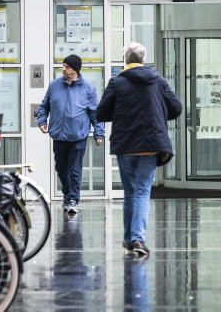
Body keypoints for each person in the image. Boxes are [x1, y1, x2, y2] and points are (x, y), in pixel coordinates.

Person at [96, 43, 182, 257]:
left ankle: (129, 239)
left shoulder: (116, 82)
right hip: (151, 144)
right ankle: (137, 239)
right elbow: (177, 108)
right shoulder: (158, 81)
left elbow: (101, 113)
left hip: (125, 145)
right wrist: (158, 114)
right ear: (143, 60)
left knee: (130, 192)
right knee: (142, 191)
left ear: (126, 60)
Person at [38, 54, 104, 214]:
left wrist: (98, 133)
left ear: (74, 69)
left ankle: (73, 199)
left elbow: (96, 113)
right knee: (61, 168)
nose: (63, 69)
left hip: (78, 136)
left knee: (75, 169)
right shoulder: (54, 85)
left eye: (66, 67)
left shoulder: (87, 88)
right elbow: (44, 106)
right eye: (63, 66)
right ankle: (68, 194)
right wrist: (42, 121)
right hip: (59, 136)